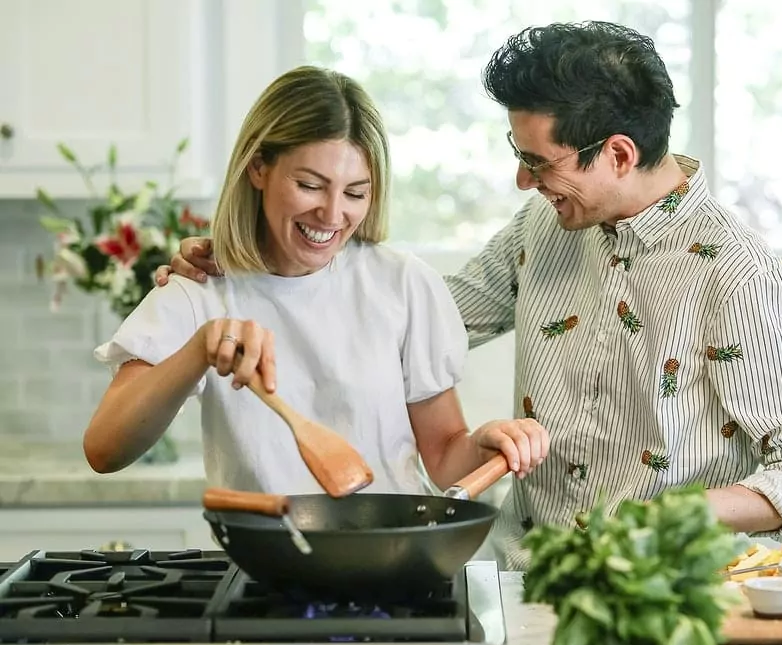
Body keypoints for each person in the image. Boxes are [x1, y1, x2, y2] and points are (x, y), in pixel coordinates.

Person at [155, 21, 782, 571]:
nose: (523, 182)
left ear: (618, 154)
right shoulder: (543, 227)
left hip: (666, 595)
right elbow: (404, 317)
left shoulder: (740, 272)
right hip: (528, 578)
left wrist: (669, 515)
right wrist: (254, 266)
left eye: (538, 163)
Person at [85, 65, 548, 502]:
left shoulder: (402, 284)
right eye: (309, 185)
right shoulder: (200, 287)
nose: (331, 215)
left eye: (354, 193)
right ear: (259, 168)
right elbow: (104, 450)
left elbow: (446, 457)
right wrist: (199, 349)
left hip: (394, 567)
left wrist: (485, 441)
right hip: (265, 568)